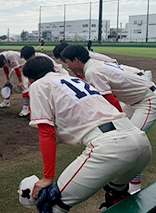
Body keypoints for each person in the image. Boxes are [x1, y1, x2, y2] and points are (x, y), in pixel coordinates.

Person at [21, 56, 151, 212]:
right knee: (116, 192)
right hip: (139, 139)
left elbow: (46, 133)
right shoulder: (75, 80)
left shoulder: (38, 85)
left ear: (31, 78)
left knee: (52, 204)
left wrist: (47, 177)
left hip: (111, 146)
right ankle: (117, 194)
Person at [60, 45, 156, 193]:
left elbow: (111, 101)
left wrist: (119, 122)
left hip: (147, 100)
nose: (67, 66)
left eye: (68, 61)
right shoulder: (92, 64)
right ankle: (127, 185)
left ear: (77, 60)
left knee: (133, 142)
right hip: (135, 100)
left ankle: (134, 189)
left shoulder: (92, 71)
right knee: (128, 138)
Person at [17, 46, 69, 117]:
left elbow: (56, 69)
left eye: (28, 58)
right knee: (27, 87)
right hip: (44, 76)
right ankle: (26, 108)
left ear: (33, 55)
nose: (26, 60)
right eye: (25, 59)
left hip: (59, 74)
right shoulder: (30, 62)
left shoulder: (44, 59)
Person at [0, 51, 26, 115]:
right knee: (8, 84)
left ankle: (26, 107)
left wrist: (20, 81)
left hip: (25, 66)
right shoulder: (0, 57)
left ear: (4, 61)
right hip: (17, 67)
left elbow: (17, 69)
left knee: (24, 86)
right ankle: (6, 102)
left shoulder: (11, 56)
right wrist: (7, 78)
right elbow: (5, 68)